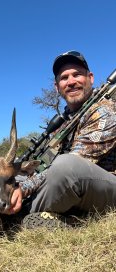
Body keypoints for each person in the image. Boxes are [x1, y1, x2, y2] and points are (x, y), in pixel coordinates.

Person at [9, 50, 116, 228]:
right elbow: (44, 164)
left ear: (90, 78)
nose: (71, 81)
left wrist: (24, 189)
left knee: (66, 166)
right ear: (57, 86)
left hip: (106, 190)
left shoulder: (104, 111)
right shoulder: (64, 121)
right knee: (13, 177)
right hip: (75, 189)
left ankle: (15, 218)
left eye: (77, 74)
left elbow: (75, 163)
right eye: (64, 77)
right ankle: (49, 215)